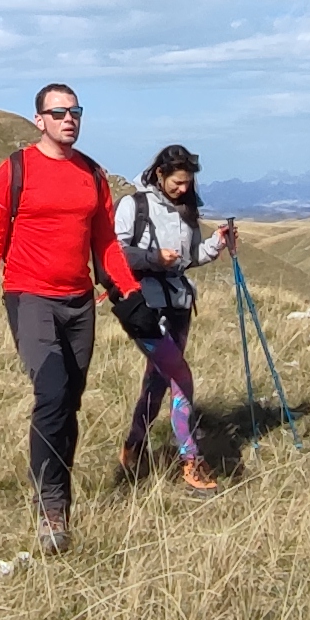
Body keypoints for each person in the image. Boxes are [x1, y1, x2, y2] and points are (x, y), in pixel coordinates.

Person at [0, 82, 142, 554]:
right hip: (30, 298)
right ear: (39, 120)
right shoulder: (15, 170)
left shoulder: (92, 174)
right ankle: (51, 506)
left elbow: (105, 242)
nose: (69, 119)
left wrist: (130, 291)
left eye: (75, 111)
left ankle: (55, 484)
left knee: (69, 403)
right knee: (51, 393)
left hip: (79, 303)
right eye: (59, 112)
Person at [113, 144, 234, 496]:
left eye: (188, 183)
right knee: (180, 376)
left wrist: (216, 244)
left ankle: (133, 446)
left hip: (179, 305)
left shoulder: (186, 210)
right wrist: (153, 258)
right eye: (177, 182)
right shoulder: (133, 205)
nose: (184, 189)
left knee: (157, 381)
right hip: (144, 307)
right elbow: (114, 253)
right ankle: (190, 460)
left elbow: (189, 257)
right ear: (160, 175)